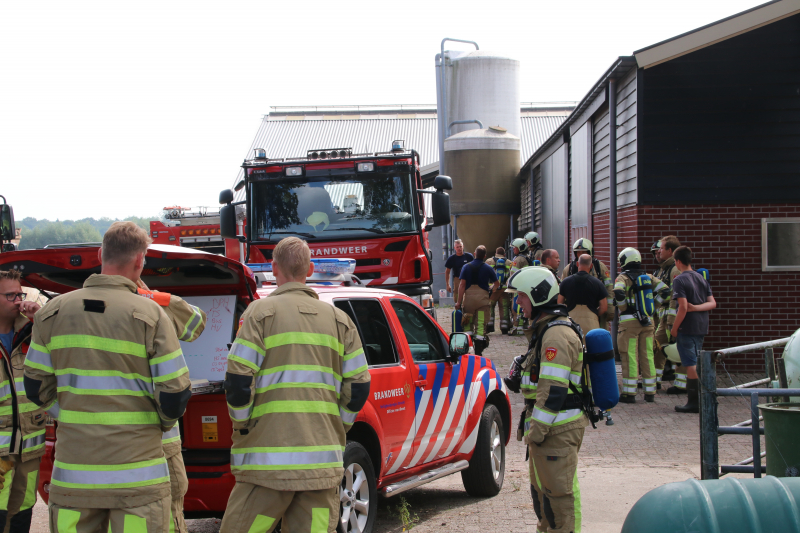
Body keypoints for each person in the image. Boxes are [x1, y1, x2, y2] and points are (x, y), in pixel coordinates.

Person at [24, 221, 191, 532]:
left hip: (74, 478)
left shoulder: (51, 313)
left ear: (101, 254)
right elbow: (175, 394)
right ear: (140, 261)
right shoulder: (152, 315)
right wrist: (157, 424)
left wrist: (70, 414)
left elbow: (35, 387)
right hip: (138, 478)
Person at [221, 237, 370, 533]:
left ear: (274, 268)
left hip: (265, 467)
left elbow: (238, 382)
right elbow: (359, 386)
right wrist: (338, 425)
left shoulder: (258, 314)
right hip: (321, 467)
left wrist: (243, 425)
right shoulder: (340, 321)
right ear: (310, 269)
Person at [507, 267, 587, 533]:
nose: (517, 302)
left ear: (538, 295)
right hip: (549, 429)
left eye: (521, 296)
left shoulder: (556, 335)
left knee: (559, 501)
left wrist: (537, 432)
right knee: (544, 500)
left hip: (556, 430)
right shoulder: (545, 330)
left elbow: (553, 391)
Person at [136, 280, 207, 533]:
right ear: (137, 263)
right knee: (166, 509)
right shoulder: (155, 305)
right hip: (158, 440)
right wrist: (155, 296)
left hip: (91, 446)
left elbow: (41, 387)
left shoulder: (70, 308)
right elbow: (197, 323)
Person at [0, 270, 45, 533]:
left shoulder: (32, 331)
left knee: (22, 514)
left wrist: (40, 318)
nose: (18, 301)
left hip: (28, 451)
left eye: (20, 294)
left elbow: (63, 347)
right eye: (10, 295)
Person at [613, 247, 668, 404]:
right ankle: (650, 392)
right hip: (648, 321)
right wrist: (653, 308)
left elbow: (618, 292)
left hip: (629, 324)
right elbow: (665, 291)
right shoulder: (648, 277)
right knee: (648, 354)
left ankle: (629, 393)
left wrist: (623, 307)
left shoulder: (623, 277)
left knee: (630, 355)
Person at [670, 246, 715, 414]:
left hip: (686, 326)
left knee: (690, 364)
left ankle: (694, 402)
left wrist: (674, 328)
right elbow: (712, 303)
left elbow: (682, 307)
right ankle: (700, 399)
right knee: (696, 361)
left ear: (678, 261)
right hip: (701, 325)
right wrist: (696, 308)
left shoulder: (679, 280)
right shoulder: (700, 278)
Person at [652, 236, 683, 393]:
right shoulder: (664, 268)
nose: (658, 251)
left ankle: (682, 385)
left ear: (670, 251)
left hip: (671, 319)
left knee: (678, 349)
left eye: (662, 248)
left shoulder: (675, 270)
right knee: (658, 347)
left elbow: (674, 297)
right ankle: (655, 380)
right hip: (663, 317)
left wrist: (671, 321)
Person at [561, 238, 613, 330]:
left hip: (597, 311)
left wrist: (610, 310)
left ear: (590, 252)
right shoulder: (569, 269)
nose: (581, 255)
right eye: (578, 252)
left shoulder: (600, 267)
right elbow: (561, 293)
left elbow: (609, 288)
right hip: (573, 313)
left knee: (598, 335)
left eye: (583, 252)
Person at [456, 245, 499, 355]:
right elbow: (497, 283)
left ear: (474, 254)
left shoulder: (466, 267)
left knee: (467, 323)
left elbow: (462, 285)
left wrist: (458, 302)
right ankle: (479, 350)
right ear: (485, 256)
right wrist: (491, 289)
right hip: (482, 300)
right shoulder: (488, 268)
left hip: (469, 300)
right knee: (480, 324)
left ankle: (467, 350)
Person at [558, 254, 608, 337]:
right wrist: (594, 314)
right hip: (591, 323)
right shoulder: (598, 283)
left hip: (571, 321)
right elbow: (604, 307)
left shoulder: (565, 282)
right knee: (591, 344)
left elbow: (559, 303)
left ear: (577, 264)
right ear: (591, 266)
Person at [485, 247, 513, 335]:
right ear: (504, 254)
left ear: (495, 254)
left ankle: (489, 325)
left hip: (493, 289)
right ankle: (505, 327)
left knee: (490, 306)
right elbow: (511, 276)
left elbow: (485, 275)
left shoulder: (489, 261)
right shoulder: (509, 262)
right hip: (504, 290)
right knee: (504, 307)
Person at [445, 240, 474, 305]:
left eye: (460, 246)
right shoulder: (452, 258)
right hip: (457, 279)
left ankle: (467, 308)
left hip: (468, 279)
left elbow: (474, 268)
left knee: (469, 296)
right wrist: (447, 284)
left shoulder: (469, 256)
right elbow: (447, 272)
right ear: (454, 248)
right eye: (457, 247)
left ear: (463, 246)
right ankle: (458, 307)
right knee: (457, 296)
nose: (459, 248)